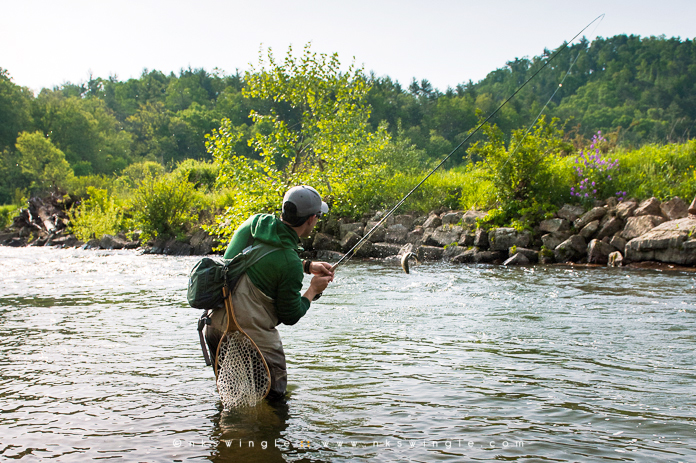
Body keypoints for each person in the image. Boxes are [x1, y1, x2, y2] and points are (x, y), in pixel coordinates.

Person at [204, 185, 334, 400]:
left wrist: (306, 265)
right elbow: (290, 315)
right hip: (251, 338)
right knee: (273, 402)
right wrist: (312, 290)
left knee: (232, 397)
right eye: (318, 216)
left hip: (215, 326)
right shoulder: (288, 261)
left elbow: (248, 261)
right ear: (311, 219)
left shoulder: (254, 224)